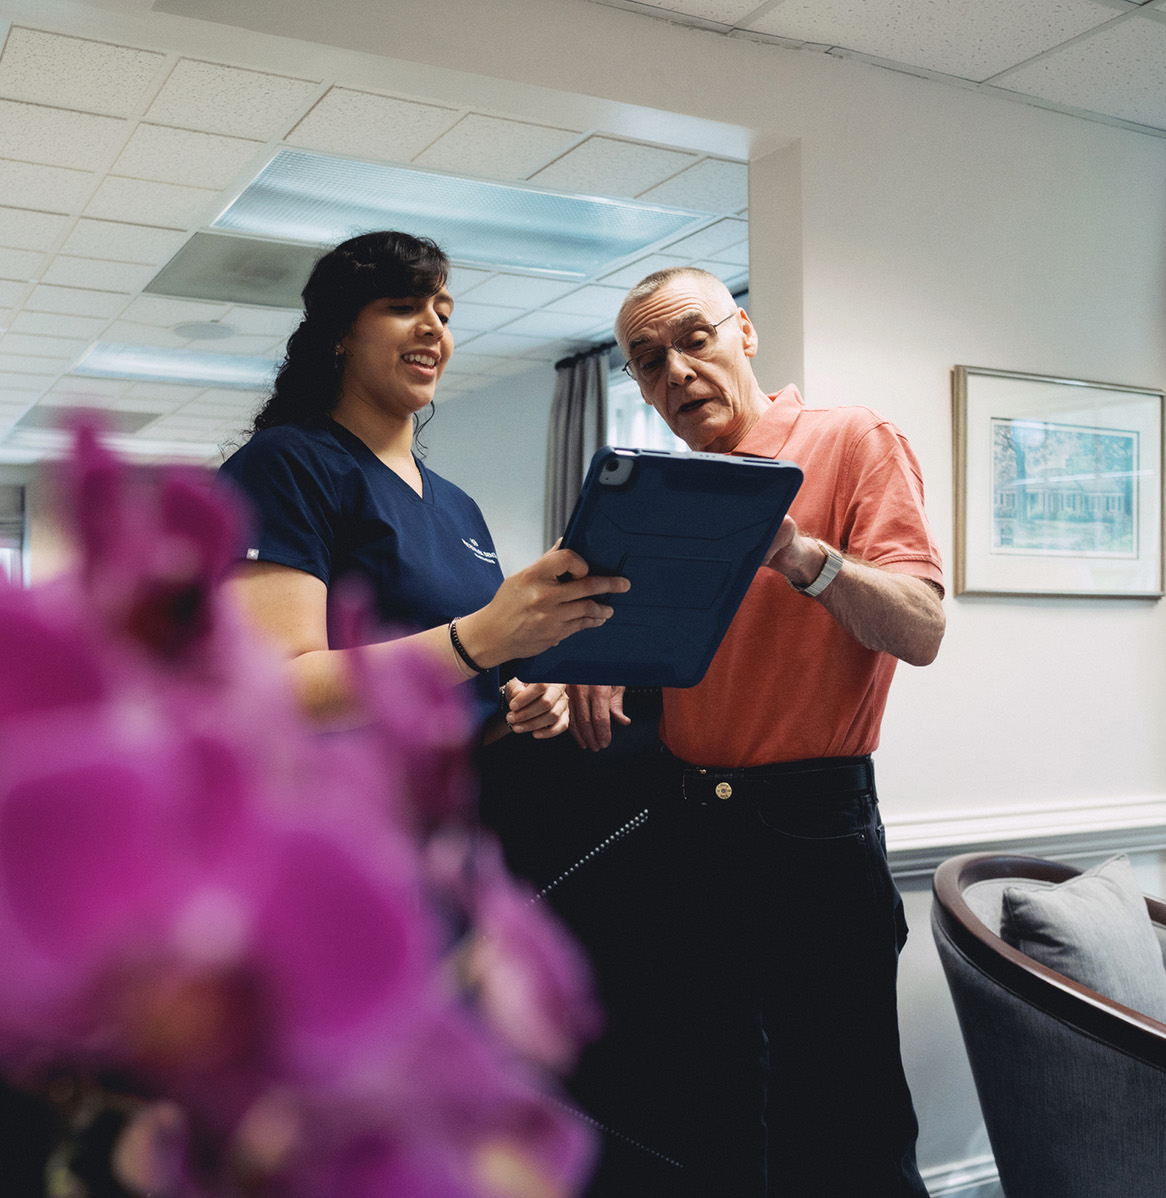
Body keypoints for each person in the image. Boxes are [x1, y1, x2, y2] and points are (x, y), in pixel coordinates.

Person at [560, 266, 945, 1196]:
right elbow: (648, 640)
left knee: (846, 1124)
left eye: (694, 339)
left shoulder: (851, 438)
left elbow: (922, 627)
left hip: (811, 827)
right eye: (648, 362)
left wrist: (799, 554)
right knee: (714, 1116)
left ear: (746, 333)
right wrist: (589, 659)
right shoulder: (655, 490)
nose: (676, 372)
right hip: (688, 827)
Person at [217, 230, 630, 743]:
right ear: (339, 334)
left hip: (456, 808)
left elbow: (467, 693)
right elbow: (274, 693)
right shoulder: (285, 465)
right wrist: (477, 639)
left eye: (444, 313)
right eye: (403, 306)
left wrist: (520, 703)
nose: (434, 326)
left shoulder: (460, 507)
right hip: (338, 808)